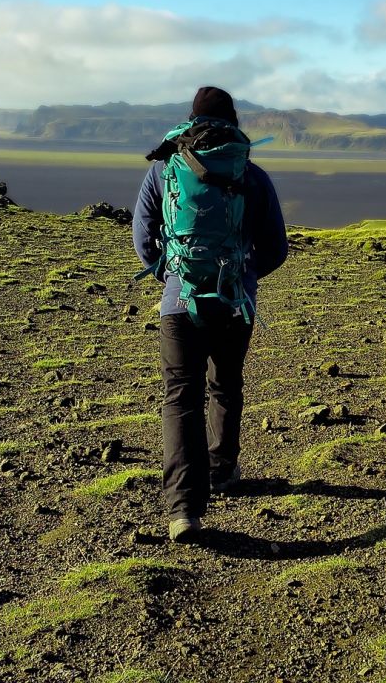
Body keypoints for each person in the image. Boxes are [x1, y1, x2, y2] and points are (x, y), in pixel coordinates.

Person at [133, 86, 288, 542]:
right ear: (234, 120)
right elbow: (276, 248)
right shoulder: (252, 175)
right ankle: (222, 469)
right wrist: (243, 275)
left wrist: (174, 275)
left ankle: (184, 509)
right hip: (235, 302)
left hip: (179, 304)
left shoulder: (164, 169)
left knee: (181, 397)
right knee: (225, 383)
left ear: (190, 119)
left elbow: (143, 239)